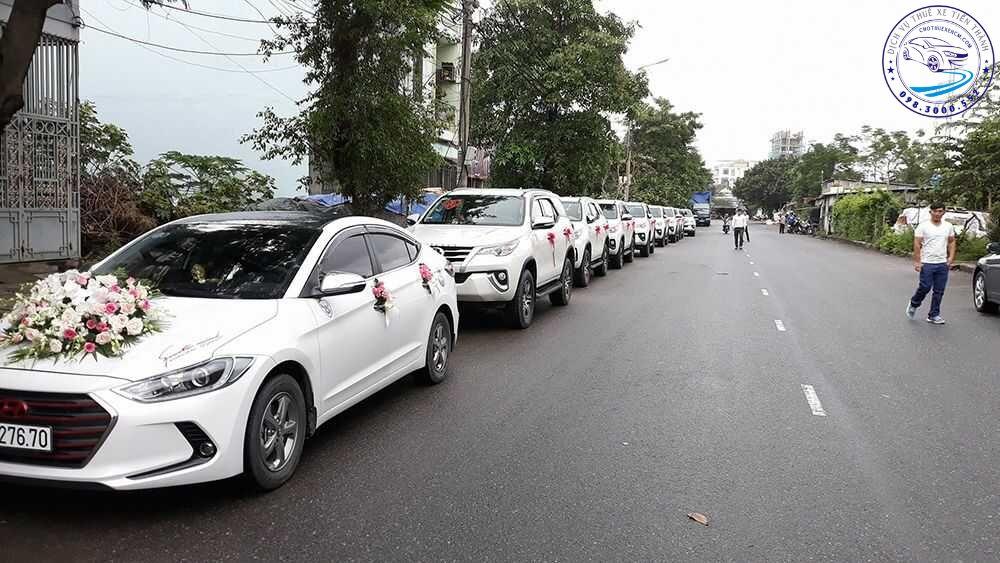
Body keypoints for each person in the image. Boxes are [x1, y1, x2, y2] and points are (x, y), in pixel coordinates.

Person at [906, 203, 956, 324]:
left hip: (942, 263)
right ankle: (914, 303)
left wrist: (951, 258)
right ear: (931, 212)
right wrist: (917, 261)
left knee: (939, 291)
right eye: (935, 211)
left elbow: (951, 241)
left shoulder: (948, 226)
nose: (938, 214)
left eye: (940, 211)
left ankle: (934, 315)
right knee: (925, 287)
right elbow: (917, 244)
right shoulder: (923, 226)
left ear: (943, 212)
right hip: (927, 262)